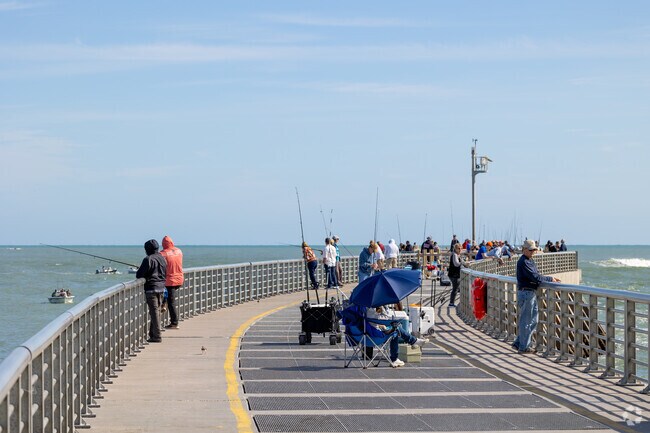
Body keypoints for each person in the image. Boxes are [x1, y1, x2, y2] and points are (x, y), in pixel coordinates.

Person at [513, 239, 560, 354]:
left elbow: (536, 276)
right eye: (531, 250)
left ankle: (519, 343)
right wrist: (550, 278)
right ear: (524, 250)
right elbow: (535, 277)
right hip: (526, 293)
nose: (533, 252)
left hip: (530, 293)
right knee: (527, 321)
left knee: (533, 320)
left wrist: (545, 278)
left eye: (534, 250)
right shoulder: (524, 262)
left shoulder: (529, 260)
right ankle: (524, 347)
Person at [136, 239, 167, 343]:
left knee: (154, 313)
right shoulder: (162, 258)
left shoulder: (147, 259)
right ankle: (152, 334)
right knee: (156, 312)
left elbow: (139, 275)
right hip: (162, 288)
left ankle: (157, 336)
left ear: (147, 250)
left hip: (151, 289)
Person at [160, 235, 183, 330]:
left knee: (171, 302)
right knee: (169, 297)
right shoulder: (179, 251)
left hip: (170, 281)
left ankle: (174, 323)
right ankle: (164, 303)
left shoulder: (162, 254)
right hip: (179, 279)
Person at [448, 243, 464, 307]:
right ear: (455, 249)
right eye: (458, 248)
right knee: (455, 289)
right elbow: (456, 264)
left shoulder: (457, 254)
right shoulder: (454, 255)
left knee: (457, 288)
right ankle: (451, 303)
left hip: (455, 274)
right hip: (454, 275)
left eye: (461, 248)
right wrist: (462, 263)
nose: (460, 250)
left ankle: (453, 302)